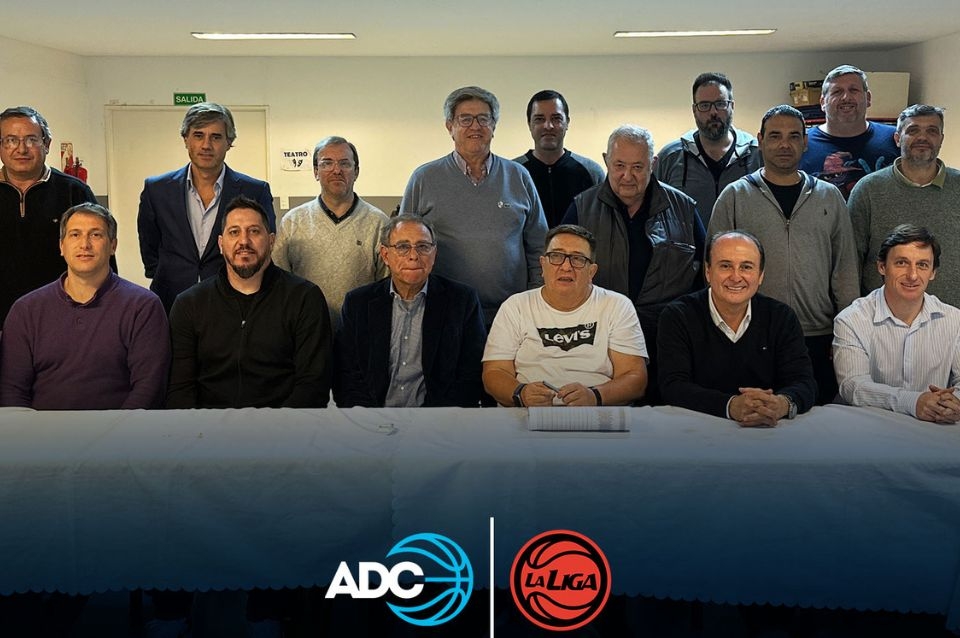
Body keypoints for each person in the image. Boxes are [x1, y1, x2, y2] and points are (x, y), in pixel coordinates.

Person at [709, 104, 859, 404]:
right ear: (760, 140)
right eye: (775, 136)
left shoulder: (829, 196)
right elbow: (715, 270)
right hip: (751, 333)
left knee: (813, 418)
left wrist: (847, 333)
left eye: (793, 136)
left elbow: (844, 269)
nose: (784, 144)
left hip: (817, 334)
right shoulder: (735, 196)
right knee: (754, 415)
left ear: (806, 142)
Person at [562, 124, 705, 404]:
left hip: (669, 341)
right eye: (619, 166)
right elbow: (562, 274)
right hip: (600, 341)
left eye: (638, 167)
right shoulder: (581, 208)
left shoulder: (684, 209)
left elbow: (704, 278)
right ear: (606, 161)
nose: (627, 176)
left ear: (653, 164)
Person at [400, 86, 547, 329]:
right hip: (444, 314)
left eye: (483, 119)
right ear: (450, 126)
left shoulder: (519, 176)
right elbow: (404, 247)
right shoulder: (424, 179)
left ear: (494, 126)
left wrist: (534, 301)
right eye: (465, 119)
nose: (475, 126)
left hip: (511, 314)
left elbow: (538, 246)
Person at [167, 195, 331, 409]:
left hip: (284, 425)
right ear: (221, 244)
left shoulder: (305, 298)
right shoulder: (189, 304)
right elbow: (180, 389)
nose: (244, 241)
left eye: (254, 231)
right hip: (209, 425)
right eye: (234, 232)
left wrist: (277, 426)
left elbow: (313, 386)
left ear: (271, 241)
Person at [0, 202, 168, 409]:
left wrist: (118, 428)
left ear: (113, 245)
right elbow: (12, 390)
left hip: (120, 427)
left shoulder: (143, 306)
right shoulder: (26, 310)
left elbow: (149, 388)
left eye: (96, 235)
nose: (84, 244)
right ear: (61, 246)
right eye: (75, 235)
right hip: (41, 428)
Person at [658, 231, 816, 425]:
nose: (736, 277)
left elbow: (804, 382)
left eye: (746, 267)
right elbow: (673, 386)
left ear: (760, 275)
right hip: (697, 429)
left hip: (769, 430)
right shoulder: (678, 316)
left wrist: (780, 404)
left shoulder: (781, 317)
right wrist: (730, 406)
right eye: (725, 266)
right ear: (708, 271)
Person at [482, 224, 648, 407]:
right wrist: (521, 394)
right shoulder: (515, 306)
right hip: (527, 412)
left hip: (597, 411)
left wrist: (595, 396)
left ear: (591, 271)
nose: (566, 267)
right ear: (542, 265)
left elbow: (635, 377)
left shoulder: (617, 305)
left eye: (577, 259)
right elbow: (494, 372)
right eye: (556, 256)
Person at [335, 214, 486, 407]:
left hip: (439, 417)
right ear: (385, 255)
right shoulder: (358, 303)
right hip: (371, 416)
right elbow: (346, 373)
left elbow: (471, 373)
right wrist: (367, 417)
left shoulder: (462, 301)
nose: (413, 256)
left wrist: (436, 419)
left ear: (434, 254)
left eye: (423, 246)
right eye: (402, 247)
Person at [138, 102, 275, 313]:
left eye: (216, 137)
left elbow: (264, 248)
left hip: (235, 303)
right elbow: (149, 248)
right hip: (171, 301)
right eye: (198, 135)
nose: (206, 145)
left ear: (229, 142)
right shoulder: (157, 190)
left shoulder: (255, 191)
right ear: (186, 139)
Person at [833, 225, 960, 423]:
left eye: (922, 265)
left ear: (933, 272)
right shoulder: (850, 320)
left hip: (933, 428)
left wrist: (951, 403)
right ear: (882, 267)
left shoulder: (955, 320)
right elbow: (853, 386)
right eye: (902, 263)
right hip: (870, 427)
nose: (912, 275)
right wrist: (913, 402)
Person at [849, 104, 960, 307]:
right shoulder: (868, 190)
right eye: (913, 130)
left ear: (941, 139)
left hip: (953, 317)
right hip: (881, 317)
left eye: (932, 131)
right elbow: (850, 260)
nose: (922, 137)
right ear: (897, 138)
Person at [273, 136, 388, 329]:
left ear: (356, 171)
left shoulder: (379, 223)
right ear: (316, 171)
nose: (336, 170)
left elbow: (386, 286)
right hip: (305, 332)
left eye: (345, 163)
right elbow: (279, 282)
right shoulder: (293, 222)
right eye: (327, 163)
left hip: (360, 332)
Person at [0, 106, 98, 326]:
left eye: (31, 139)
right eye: (11, 140)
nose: (21, 149)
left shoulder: (75, 192)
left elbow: (101, 259)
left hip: (64, 319)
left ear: (46, 144)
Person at [655, 72, 761, 225]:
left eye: (720, 104)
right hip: (689, 242)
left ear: (732, 106)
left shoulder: (757, 154)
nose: (713, 112)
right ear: (694, 110)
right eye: (704, 105)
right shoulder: (670, 158)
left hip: (744, 241)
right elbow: (653, 213)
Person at [799, 65, 899, 199]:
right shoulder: (801, 143)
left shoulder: (895, 138)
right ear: (823, 102)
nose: (846, 97)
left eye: (853, 90)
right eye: (837, 91)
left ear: (868, 98)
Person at [513, 90, 604, 227]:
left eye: (556, 118)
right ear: (529, 124)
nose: (548, 126)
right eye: (539, 119)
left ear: (567, 123)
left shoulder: (592, 173)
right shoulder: (512, 173)